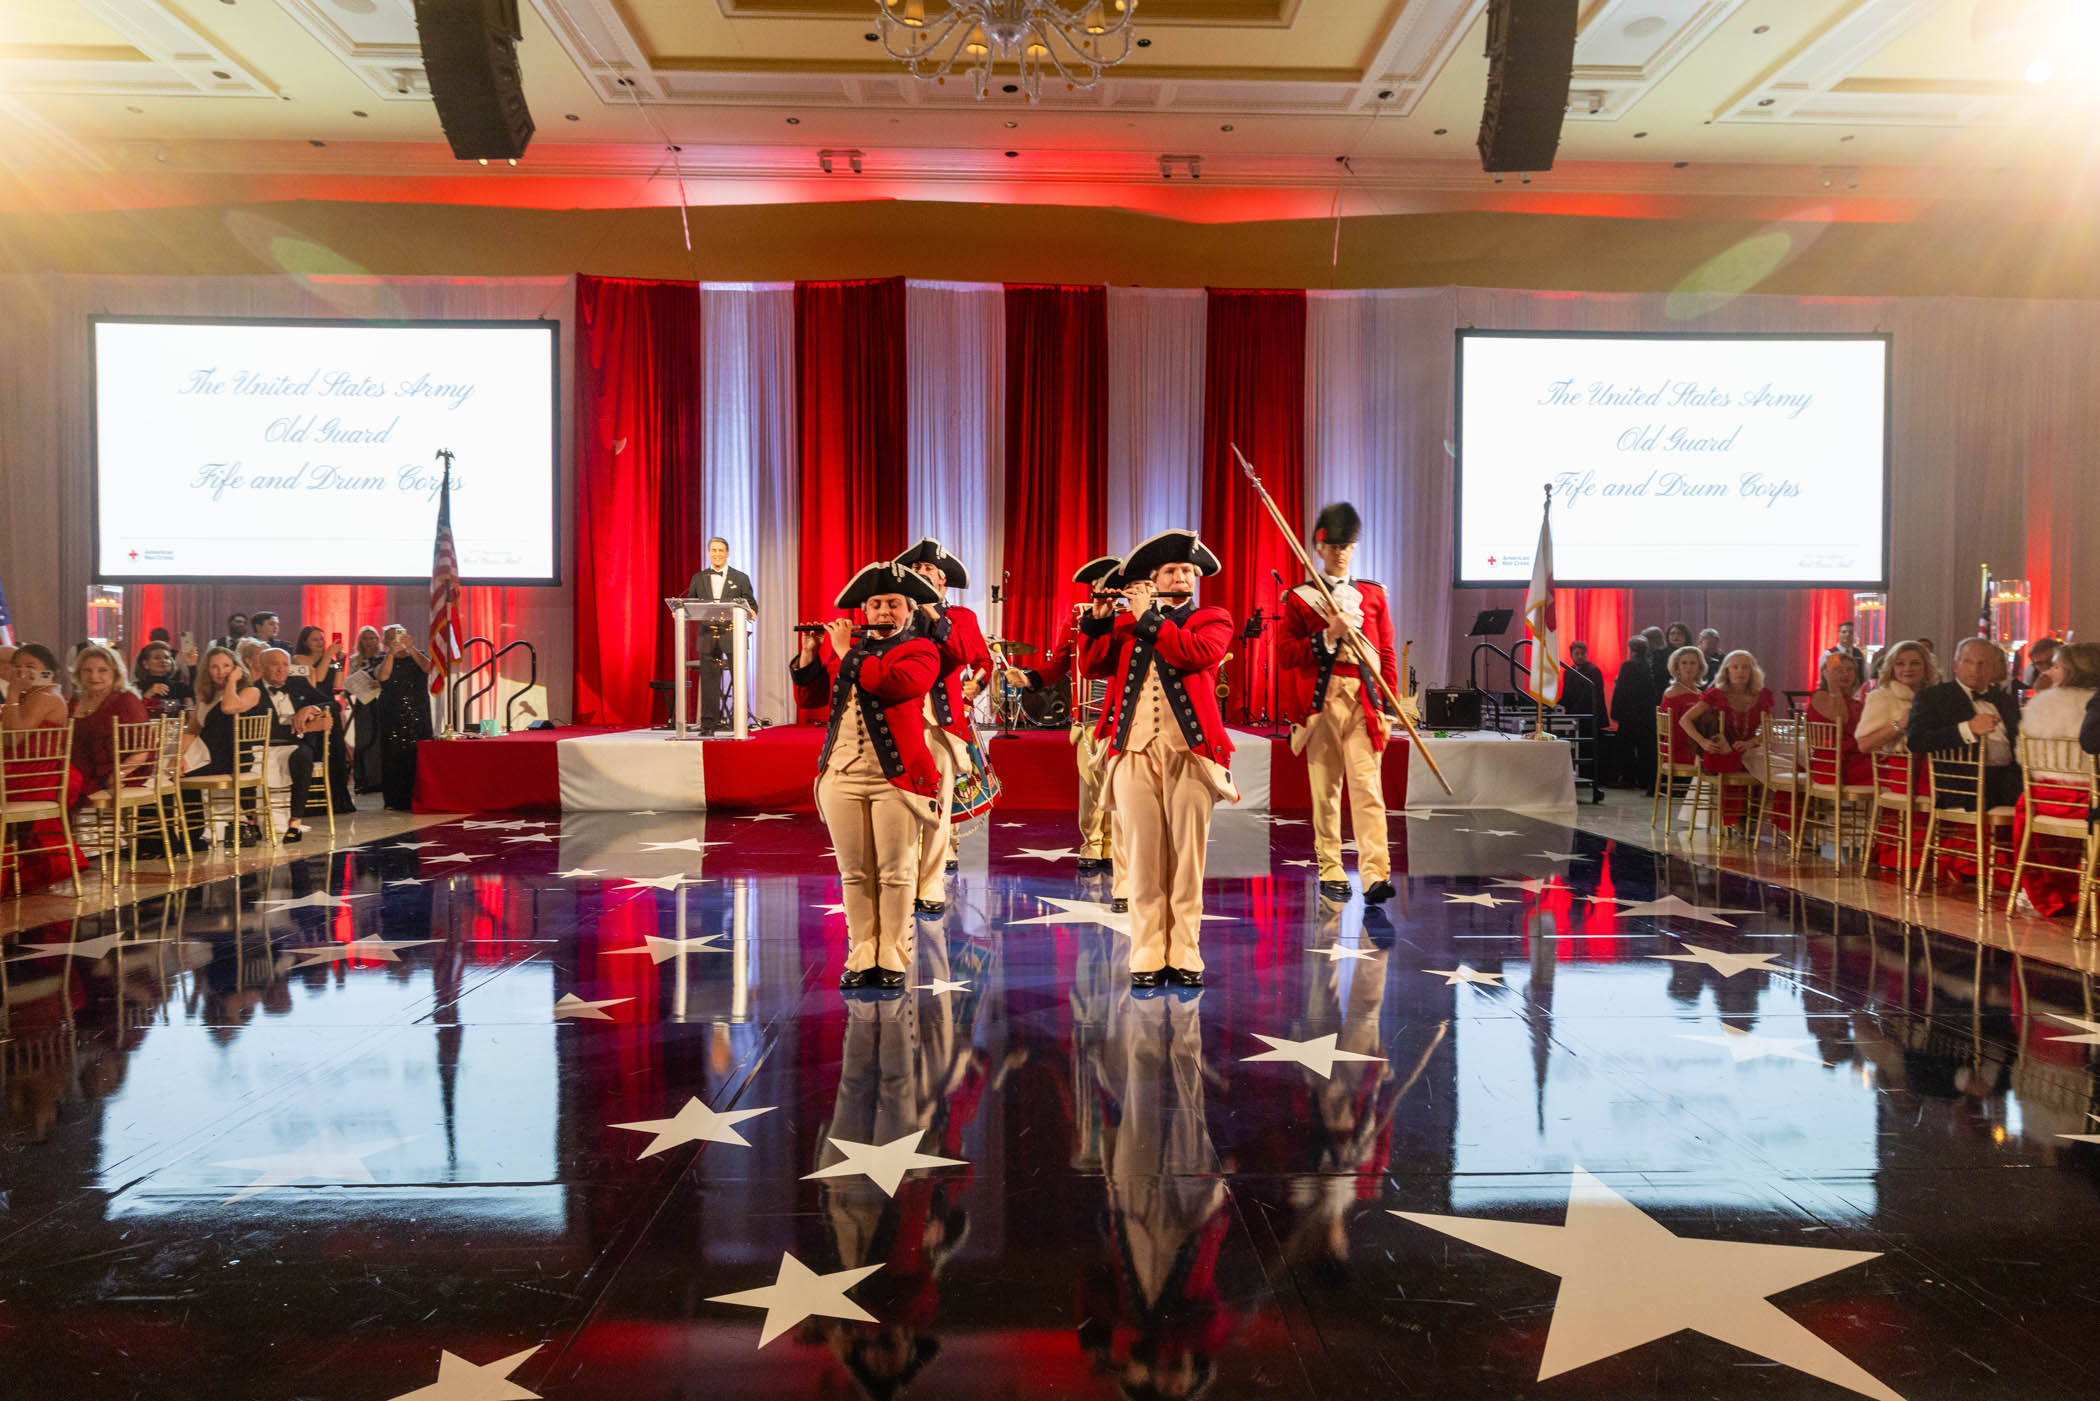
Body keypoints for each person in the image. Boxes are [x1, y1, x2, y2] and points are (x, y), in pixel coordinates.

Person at [1079, 529, 1237, 990]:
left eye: (1188, 571)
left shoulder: (1212, 619)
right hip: (1132, 750)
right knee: (1144, 857)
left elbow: (1194, 655)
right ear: (1153, 578)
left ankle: (1185, 948)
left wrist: (1146, 614)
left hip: (1191, 752)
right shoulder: (1131, 624)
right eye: (1172, 571)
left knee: (1187, 858)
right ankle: (1147, 947)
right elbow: (1093, 665)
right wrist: (1100, 619)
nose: (1183, 578)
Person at [792, 562, 944, 991]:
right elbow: (811, 697)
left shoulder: (920, 649)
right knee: (854, 872)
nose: (882, 611)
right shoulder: (849, 651)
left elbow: (894, 684)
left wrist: (844, 653)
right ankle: (862, 951)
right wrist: (810, 654)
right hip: (842, 772)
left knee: (896, 872)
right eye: (875, 604)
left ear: (908, 611)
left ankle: (892, 952)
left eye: (892, 604)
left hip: (894, 776)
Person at [1277, 502, 1398, 905]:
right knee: (1326, 791)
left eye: (1347, 545)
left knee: (1368, 789)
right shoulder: (1300, 598)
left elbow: (1385, 652)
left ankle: (1375, 873)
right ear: (1319, 547)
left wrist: (1389, 705)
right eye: (1334, 546)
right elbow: (1286, 654)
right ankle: (1330, 865)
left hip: (1364, 700)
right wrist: (1327, 636)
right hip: (1321, 704)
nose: (1341, 553)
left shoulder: (1373, 594)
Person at [894, 538, 995, 917]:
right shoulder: (896, 612)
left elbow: (967, 655)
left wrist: (935, 615)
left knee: (939, 803)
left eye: (928, 575)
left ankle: (931, 879)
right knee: (901, 801)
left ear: (943, 584)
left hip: (942, 720)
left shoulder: (962, 618)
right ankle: (903, 873)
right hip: (900, 716)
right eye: (915, 574)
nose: (920, 579)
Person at [1007, 556, 1124, 879]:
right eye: (1101, 586)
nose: (1107, 591)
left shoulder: (1133, 617)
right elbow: (1059, 662)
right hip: (1089, 717)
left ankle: (1114, 844)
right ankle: (1092, 843)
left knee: (1121, 784)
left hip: (1123, 715)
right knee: (1091, 785)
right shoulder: (1078, 617)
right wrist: (1029, 678)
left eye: (1112, 585)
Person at [0, 643, 83, 892]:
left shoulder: (44, 697)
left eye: (30, 667)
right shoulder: (34, 696)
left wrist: (13, 694)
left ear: (48, 671)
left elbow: (14, 739)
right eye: (17, 667)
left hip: (33, 778)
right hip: (25, 772)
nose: (22, 673)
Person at [1907, 637, 2021, 810]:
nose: (1975, 669)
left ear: (1993, 668)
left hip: (2009, 783)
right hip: (1963, 784)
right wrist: (1968, 729)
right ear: (1955, 665)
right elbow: (1917, 741)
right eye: (1968, 662)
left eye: (1983, 663)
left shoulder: (2005, 700)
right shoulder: (1934, 697)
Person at [684, 535, 759, 732]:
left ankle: (739, 722)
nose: (717, 554)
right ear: (709, 553)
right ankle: (709, 723)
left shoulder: (741, 578)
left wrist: (752, 612)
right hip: (708, 635)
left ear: (727, 553)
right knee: (709, 681)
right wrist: (681, 612)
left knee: (738, 679)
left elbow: (751, 604)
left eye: (720, 550)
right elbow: (690, 603)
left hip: (733, 633)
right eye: (713, 550)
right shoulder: (698, 578)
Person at [249, 648, 325, 839]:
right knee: (245, 759)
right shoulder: (253, 690)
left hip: (297, 745)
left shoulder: (298, 683)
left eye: (285, 664)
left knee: (303, 756)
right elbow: (262, 729)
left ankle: (295, 822)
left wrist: (311, 708)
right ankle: (252, 820)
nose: (281, 669)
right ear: (262, 667)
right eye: (275, 664)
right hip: (265, 746)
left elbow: (332, 703)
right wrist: (306, 728)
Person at [289, 626, 354, 812]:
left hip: (328, 707)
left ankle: (336, 800)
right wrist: (328, 655)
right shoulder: (299, 659)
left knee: (334, 753)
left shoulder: (331, 659)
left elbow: (338, 684)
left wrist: (341, 661)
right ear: (305, 642)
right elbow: (317, 679)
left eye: (321, 639)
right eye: (315, 639)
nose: (320, 643)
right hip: (310, 707)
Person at [374, 624, 435, 811]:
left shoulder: (418, 655)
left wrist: (411, 648)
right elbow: (383, 676)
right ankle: (395, 799)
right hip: (392, 713)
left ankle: (420, 796)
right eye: (391, 637)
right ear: (385, 641)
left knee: (418, 754)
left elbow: (428, 668)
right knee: (393, 755)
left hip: (418, 711)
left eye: (399, 635)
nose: (397, 640)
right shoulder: (383, 659)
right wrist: (392, 653)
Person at [1857, 640, 1938, 753]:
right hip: (1900, 766)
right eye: (1900, 663)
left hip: (1934, 765)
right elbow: (1863, 745)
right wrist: (1899, 725)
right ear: (1892, 668)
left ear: (1925, 667)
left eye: (1915, 663)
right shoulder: (1881, 696)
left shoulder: (1934, 697)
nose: (1908, 668)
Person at [1804, 651, 1872, 785]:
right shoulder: (1820, 696)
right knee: (1892, 773)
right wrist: (1833, 687)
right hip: (1833, 764)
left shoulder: (1856, 703)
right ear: (1826, 673)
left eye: (1850, 670)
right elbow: (1841, 718)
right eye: (1839, 670)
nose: (1845, 674)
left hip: (1856, 759)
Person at [1563, 640, 1608, 803]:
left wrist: (1573, 711)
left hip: (1590, 715)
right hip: (1574, 714)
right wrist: (1560, 706)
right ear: (1571, 655)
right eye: (1577, 653)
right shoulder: (1568, 671)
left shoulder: (1593, 671)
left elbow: (1590, 696)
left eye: (1583, 653)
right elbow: (1567, 693)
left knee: (1589, 748)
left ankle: (1590, 779)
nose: (1580, 656)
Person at [1609, 636, 1655, 793]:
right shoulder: (1649, 665)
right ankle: (1644, 780)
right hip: (1646, 714)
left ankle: (1628, 778)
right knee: (1645, 748)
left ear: (1632, 649)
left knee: (1625, 747)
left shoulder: (1628, 665)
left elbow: (1620, 690)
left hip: (1629, 713)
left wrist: (1615, 711)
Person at [344, 626, 387, 795]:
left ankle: (380, 781)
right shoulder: (354, 660)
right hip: (363, 703)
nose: (369, 642)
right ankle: (363, 781)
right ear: (360, 641)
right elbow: (346, 679)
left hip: (381, 703)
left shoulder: (383, 659)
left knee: (379, 741)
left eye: (373, 638)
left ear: (378, 640)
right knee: (364, 740)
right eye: (365, 638)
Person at [1659, 645, 1710, 773]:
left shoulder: (1699, 693)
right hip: (1678, 749)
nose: (1688, 667)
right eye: (1684, 663)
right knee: (1718, 760)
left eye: (1693, 663)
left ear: (1699, 667)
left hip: (1694, 744)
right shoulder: (1672, 692)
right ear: (1677, 666)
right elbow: (1673, 728)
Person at [132, 641, 192, 715]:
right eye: (157, 658)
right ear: (145, 664)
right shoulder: (135, 687)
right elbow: (133, 713)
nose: (163, 661)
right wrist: (148, 694)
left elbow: (198, 694)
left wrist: (192, 665)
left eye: (166, 658)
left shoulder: (178, 686)